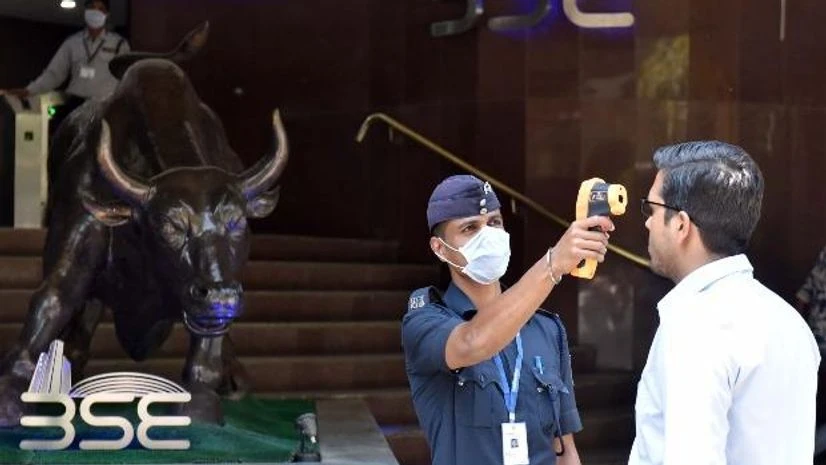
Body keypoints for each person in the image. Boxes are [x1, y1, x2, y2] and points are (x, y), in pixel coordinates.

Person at [401, 174, 615, 465]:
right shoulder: (426, 321)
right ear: (440, 248)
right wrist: (553, 264)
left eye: (494, 223)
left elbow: (565, 450)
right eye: (470, 228)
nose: (487, 234)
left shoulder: (546, 329)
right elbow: (473, 342)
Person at [630, 141, 820, 465]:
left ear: (681, 225)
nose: (647, 222)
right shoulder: (789, 321)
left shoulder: (696, 326)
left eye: (652, 208)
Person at [0, 0, 129, 128]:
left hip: (105, 107)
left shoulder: (119, 44)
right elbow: (54, 74)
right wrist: (29, 90)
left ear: (107, 14)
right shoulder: (72, 43)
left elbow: (126, 78)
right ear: (85, 11)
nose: (95, 12)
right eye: (91, 8)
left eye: (100, 8)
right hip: (76, 104)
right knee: (65, 140)